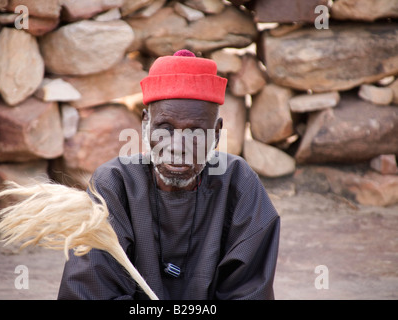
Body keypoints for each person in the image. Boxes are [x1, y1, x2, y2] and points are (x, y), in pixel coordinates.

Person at [57, 49, 280, 300]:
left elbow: (250, 292)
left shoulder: (239, 185)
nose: (177, 146)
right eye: (165, 128)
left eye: (196, 132)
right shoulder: (114, 185)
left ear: (216, 134)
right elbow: (89, 290)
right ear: (145, 124)